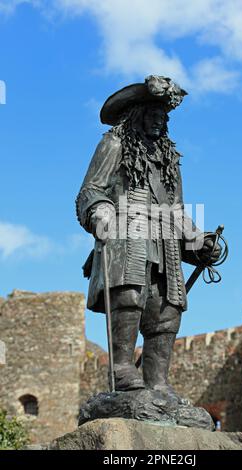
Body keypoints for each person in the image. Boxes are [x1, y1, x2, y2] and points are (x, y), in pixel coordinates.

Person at [76, 75, 221, 399]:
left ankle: (157, 381)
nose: (160, 121)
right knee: (128, 297)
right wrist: (101, 213)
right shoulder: (113, 144)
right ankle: (122, 368)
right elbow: (91, 190)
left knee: (167, 310)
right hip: (127, 236)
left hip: (165, 242)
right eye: (153, 114)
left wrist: (199, 243)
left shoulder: (169, 161)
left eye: (164, 117)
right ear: (137, 114)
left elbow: (178, 212)